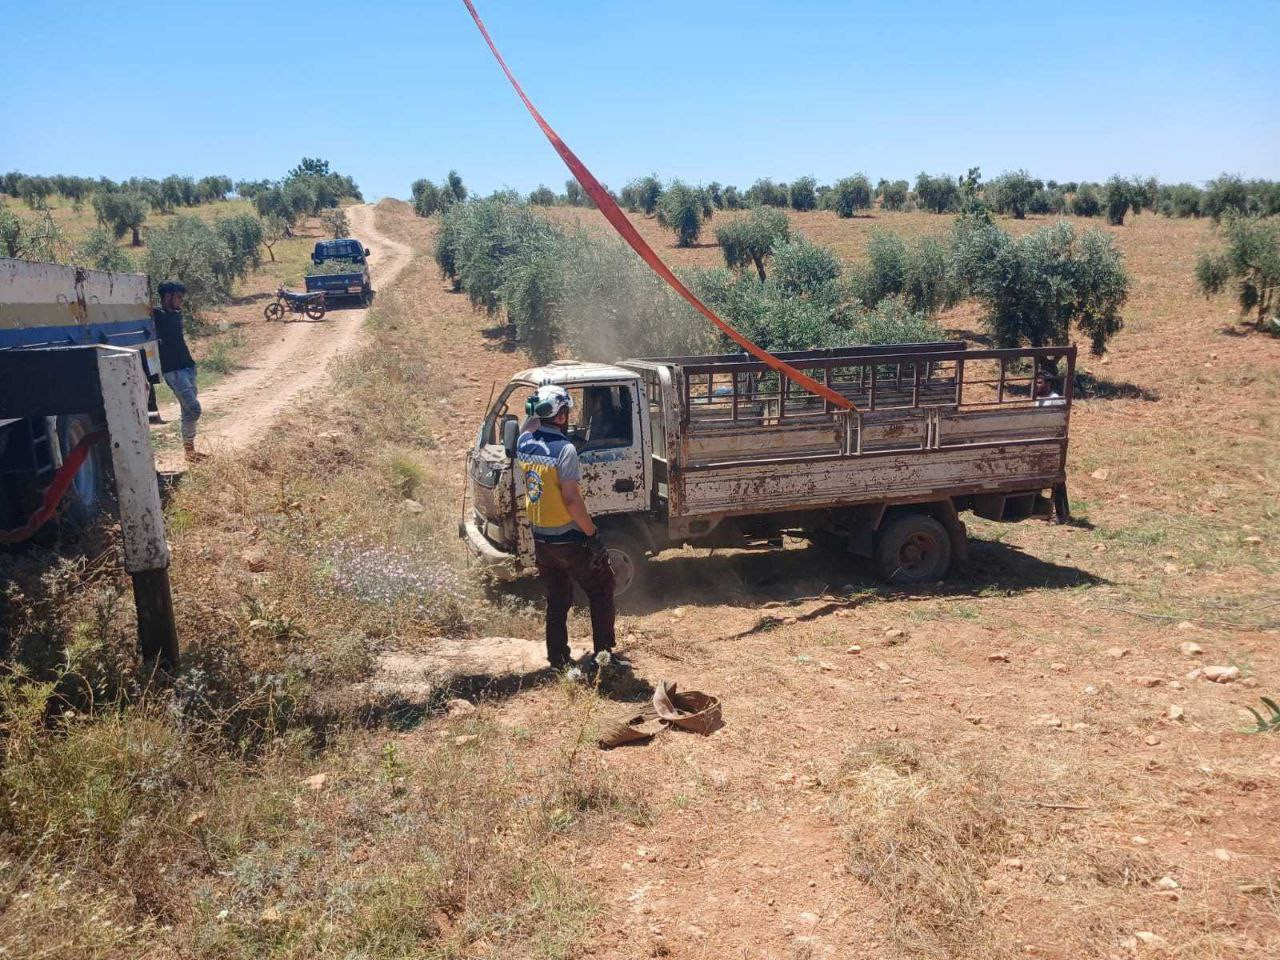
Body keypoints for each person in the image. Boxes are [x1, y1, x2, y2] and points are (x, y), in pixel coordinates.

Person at [515, 385, 616, 670]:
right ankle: (604, 657)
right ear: (560, 416)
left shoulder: (524, 442)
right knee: (601, 587)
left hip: (541, 538)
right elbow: (572, 500)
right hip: (569, 537)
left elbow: (529, 427)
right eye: (566, 410)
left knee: (557, 598)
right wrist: (592, 534)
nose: (569, 415)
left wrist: (537, 405)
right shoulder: (566, 450)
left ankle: (558, 657)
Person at [153, 281, 204, 462]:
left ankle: (190, 453)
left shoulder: (175, 314)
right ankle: (189, 451)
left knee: (187, 412)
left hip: (188, 367)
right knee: (194, 410)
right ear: (167, 296)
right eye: (178, 297)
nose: (181, 301)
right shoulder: (155, 315)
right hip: (173, 371)